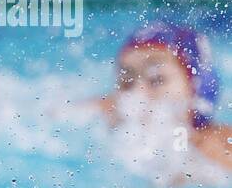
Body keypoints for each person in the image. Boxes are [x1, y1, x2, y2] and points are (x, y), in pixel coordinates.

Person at [97, 21, 231, 178]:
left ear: (196, 87)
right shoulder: (113, 115)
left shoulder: (217, 144)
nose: (138, 93)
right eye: (127, 81)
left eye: (156, 79)